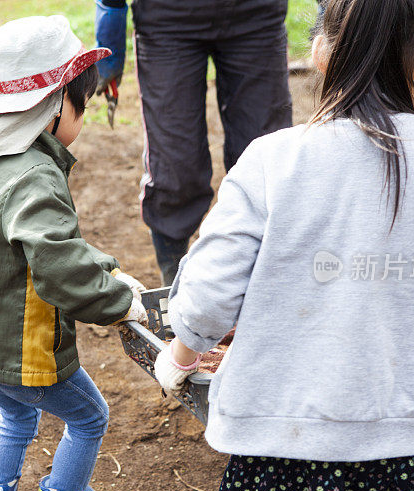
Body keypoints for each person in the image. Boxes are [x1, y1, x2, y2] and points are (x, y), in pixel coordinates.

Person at [153, 0, 414, 491]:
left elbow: (207, 299)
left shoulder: (271, 160)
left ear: (320, 52)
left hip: (281, 453)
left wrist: (183, 355)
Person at [0, 16, 148, 491]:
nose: (86, 116)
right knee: (89, 418)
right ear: (55, 105)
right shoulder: (37, 178)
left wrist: (109, 271)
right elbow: (59, 270)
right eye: (83, 104)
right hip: (19, 351)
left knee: (15, 417)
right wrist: (120, 303)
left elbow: (53, 249)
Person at [94, 0, 293, 285]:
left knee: (266, 162)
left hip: (256, 16)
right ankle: (174, 281)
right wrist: (110, 26)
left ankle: (263, 280)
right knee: (175, 167)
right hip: (168, 19)